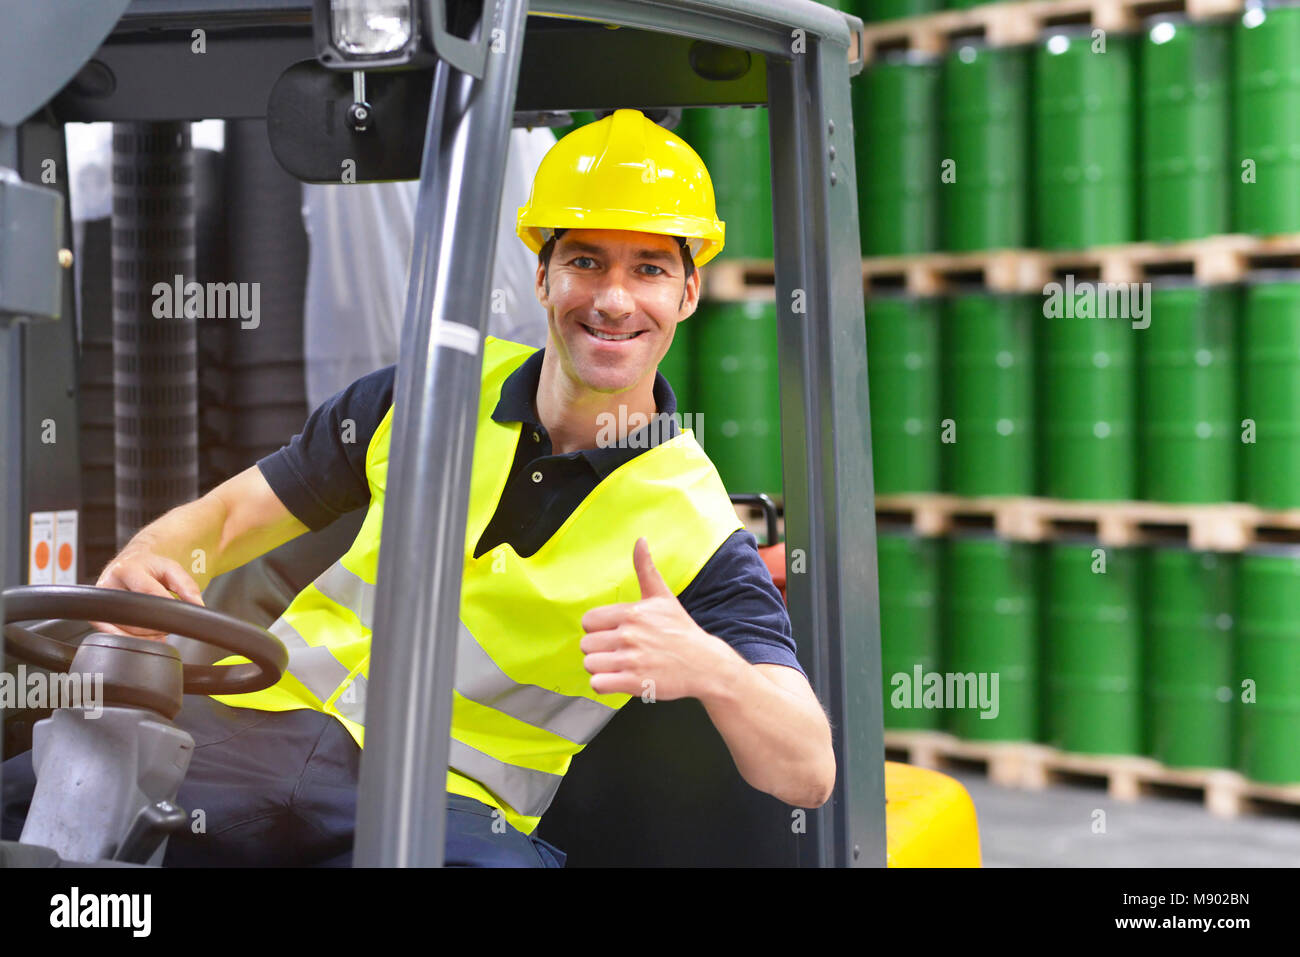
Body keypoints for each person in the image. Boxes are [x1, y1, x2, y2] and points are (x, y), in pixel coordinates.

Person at [2, 109, 835, 867]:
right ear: (542, 275)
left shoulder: (695, 523)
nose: (613, 299)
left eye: (648, 268)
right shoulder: (423, 394)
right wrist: (153, 550)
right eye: (585, 260)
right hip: (251, 741)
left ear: (687, 292)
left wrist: (713, 669)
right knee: (41, 802)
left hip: (450, 808)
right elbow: (225, 520)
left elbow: (809, 771)